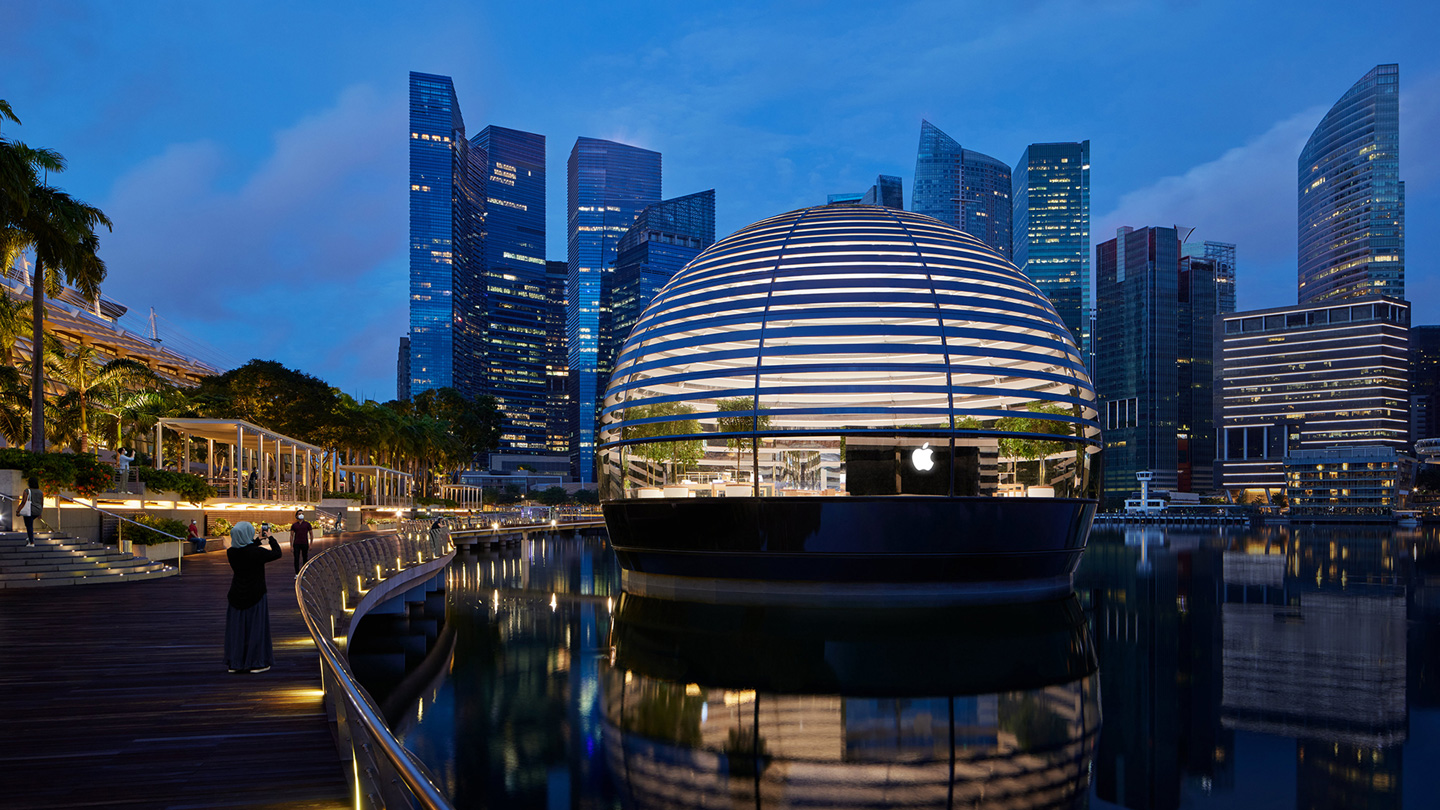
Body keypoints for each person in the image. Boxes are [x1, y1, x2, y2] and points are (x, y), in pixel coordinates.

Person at [224, 521, 281, 674]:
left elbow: (245, 549)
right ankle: (257, 662)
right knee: (256, 628)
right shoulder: (257, 553)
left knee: (237, 630)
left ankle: (235, 663)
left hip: (236, 594)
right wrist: (270, 538)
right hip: (256, 593)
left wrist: (257, 540)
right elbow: (277, 553)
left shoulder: (231, 552)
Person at [15, 477, 42, 547]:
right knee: (30, 523)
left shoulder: (27, 491)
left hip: (30, 510)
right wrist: (40, 513)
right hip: (37, 510)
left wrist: (18, 510)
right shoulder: (40, 492)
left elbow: (24, 502)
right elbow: (41, 503)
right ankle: (30, 537)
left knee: (29, 525)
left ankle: (31, 542)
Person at [291, 510, 314, 575]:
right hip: (296, 544)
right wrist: (291, 546)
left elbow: (311, 534)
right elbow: (291, 535)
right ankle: (297, 574)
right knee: (296, 559)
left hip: (304, 543)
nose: (301, 515)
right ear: (296, 516)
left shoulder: (307, 524)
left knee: (305, 558)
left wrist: (310, 544)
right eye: (299, 514)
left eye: (302, 513)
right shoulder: (294, 525)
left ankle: (304, 573)